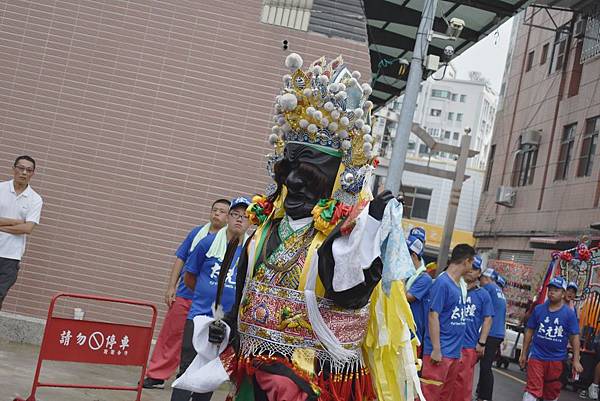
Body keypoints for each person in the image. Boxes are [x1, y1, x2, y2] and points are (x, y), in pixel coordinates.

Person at [171, 54, 423, 401]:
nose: (293, 181)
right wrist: (226, 327)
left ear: (338, 178)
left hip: (313, 378)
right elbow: (244, 290)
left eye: (308, 172)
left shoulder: (343, 238)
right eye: (289, 169)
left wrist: (372, 229)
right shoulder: (259, 233)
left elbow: (347, 294)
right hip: (253, 367)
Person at [142, 198, 230, 389]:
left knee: (202, 343)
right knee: (171, 336)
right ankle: (157, 375)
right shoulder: (197, 233)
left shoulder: (232, 242)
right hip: (185, 295)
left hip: (210, 304)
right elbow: (180, 259)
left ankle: (189, 378)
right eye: (215, 210)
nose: (217, 214)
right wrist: (171, 286)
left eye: (222, 211)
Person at [169, 196, 251, 401]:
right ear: (228, 217)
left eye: (245, 216)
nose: (239, 220)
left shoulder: (251, 250)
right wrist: (208, 293)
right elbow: (189, 277)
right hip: (199, 315)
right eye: (234, 214)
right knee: (187, 368)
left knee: (208, 375)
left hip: (227, 322)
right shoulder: (207, 243)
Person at [420, 244, 477, 401]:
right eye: (472, 262)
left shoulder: (459, 285)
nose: (472, 267)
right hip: (440, 353)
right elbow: (433, 316)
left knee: (445, 396)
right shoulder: (442, 283)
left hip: (453, 352)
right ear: (466, 261)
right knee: (430, 394)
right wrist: (437, 349)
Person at [519, 276, 583, 401]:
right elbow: (529, 330)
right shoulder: (538, 309)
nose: (552, 292)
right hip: (537, 356)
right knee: (532, 390)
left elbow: (574, 337)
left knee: (551, 393)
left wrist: (576, 360)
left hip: (557, 360)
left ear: (563, 293)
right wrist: (524, 353)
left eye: (556, 290)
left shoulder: (569, 314)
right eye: (550, 289)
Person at [0, 156, 43, 310]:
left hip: (11, 257)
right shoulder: (1, 188)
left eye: (29, 170)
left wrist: (2, 226)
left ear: (33, 173)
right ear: (14, 169)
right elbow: (23, 225)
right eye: (21, 168)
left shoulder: (35, 199)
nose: (24, 172)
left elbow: (28, 228)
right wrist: (16, 221)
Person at [451, 255, 494, 401]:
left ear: (479, 273)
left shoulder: (483, 295)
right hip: (448, 343)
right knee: (443, 384)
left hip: (468, 347)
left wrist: (481, 342)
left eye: (475, 269)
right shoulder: (453, 286)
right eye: (470, 267)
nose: (471, 271)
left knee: (462, 387)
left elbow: (488, 318)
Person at [476, 268, 507, 401]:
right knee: (485, 364)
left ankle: (485, 397)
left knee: (485, 366)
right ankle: (480, 393)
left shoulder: (488, 288)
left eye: (481, 278)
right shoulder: (499, 291)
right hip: (498, 332)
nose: (480, 281)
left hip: (491, 332)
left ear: (487, 278)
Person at [405, 231, 432, 350]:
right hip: (402, 329)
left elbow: (407, 297)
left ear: (414, 256)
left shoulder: (424, 278)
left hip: (413, 334)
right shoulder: (409, 275)